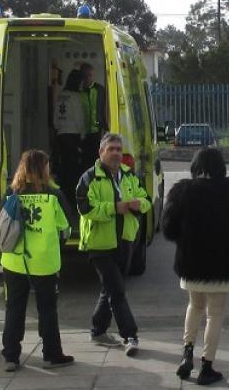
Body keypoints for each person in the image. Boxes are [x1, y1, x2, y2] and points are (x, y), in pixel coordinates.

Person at [163, 148, 229, 385]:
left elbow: (168, 228)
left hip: (191, 261)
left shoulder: (182, 190)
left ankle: (187, 352)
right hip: (223, 262)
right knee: (215, 314)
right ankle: (207, 365)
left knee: (194, 305)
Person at [77, 133, 151, 356]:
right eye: (111, 149)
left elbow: (146, 200)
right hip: (99, 245)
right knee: (117, 291)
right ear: (101, 153)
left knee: (109, 288)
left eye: (119, 149)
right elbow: (85, 208)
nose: (117, 153)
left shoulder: (129, 175)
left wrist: (139, 204)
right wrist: (113, 208)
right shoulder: (89, 177)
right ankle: (130, 335)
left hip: (125, 242)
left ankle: (98, 330)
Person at [1, 150, 72, 372]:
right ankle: (51, 354)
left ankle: (11, 356)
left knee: (14, 308)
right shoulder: (54, 194)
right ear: (44, 168)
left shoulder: (12, 192)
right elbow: (65, 227)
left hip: (14, 260)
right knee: (47, 309)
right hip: (44, 261)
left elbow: (1, 223)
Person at [52, 68, 85, 209]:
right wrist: (82, 135)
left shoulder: (61, 95)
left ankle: (63, 196)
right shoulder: (75, 97)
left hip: (61, 135)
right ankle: (72, 200)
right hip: (73, 136)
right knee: (74, 170)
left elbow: (55, 118)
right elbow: (80, 118)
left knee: (64, 168)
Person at [80, 61, 108, 165]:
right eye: (85, 75)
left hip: (96, 131)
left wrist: (106, 125)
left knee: (95, 160)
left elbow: (105, 108)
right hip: (80, 133)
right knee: (83, 160)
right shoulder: (77, 90)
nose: (87, 78)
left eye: (90, 75)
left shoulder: (99, 89)